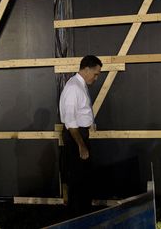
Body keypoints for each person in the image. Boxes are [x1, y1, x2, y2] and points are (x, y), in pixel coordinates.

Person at [59, 55, 102, 216]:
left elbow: (80, 111)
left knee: (83, 179)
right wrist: (81, 145)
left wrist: (90, 122)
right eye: (96, 74)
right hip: (75, 138)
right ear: (86, 69)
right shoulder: (73, 88)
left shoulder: (80, 85)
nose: (96, 78)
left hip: (81, 135)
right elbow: (70, 122)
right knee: (77, 180)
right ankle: (76, 217)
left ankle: (83, 214)